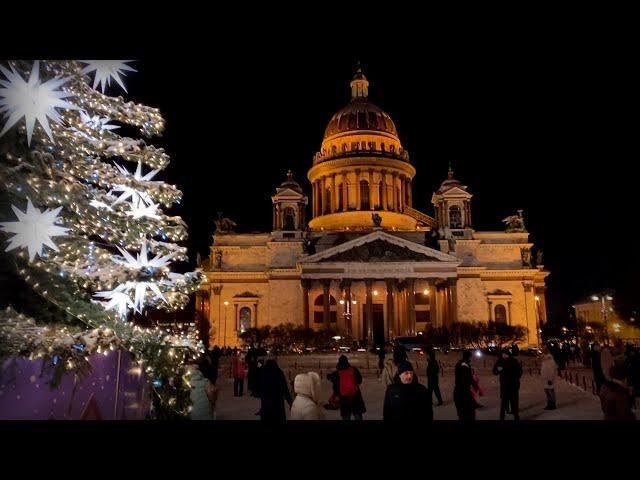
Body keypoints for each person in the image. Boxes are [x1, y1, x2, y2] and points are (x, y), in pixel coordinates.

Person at [327, 355, 366, 420]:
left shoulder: (337, 373)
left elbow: (334, 385)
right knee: (357, 415)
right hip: (355, 396)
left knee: (346, 416)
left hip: (344, 399)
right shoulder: (354, 370)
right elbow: (359, 380)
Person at [493, 348, 523, 420]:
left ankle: (516, 416)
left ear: (508, 354)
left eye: (505, 354)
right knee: (504, 402)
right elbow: (494, 371)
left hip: (513, 384)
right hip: (504, 385)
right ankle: (502, 417)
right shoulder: (500, 361)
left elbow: (520, 371)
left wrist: (516, 377)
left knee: (514, 401)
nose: (504, 356)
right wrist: (497, 370)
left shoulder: (514, 361)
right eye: (503, 354)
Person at [454, 350, 478, 420]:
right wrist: (475, 386)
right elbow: (468, 377)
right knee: (467, 414)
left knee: (463, 414)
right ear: (468, 356)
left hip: (460, 392)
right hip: (462, 392)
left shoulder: (461, 363)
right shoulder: (464, 364)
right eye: (470, 356)